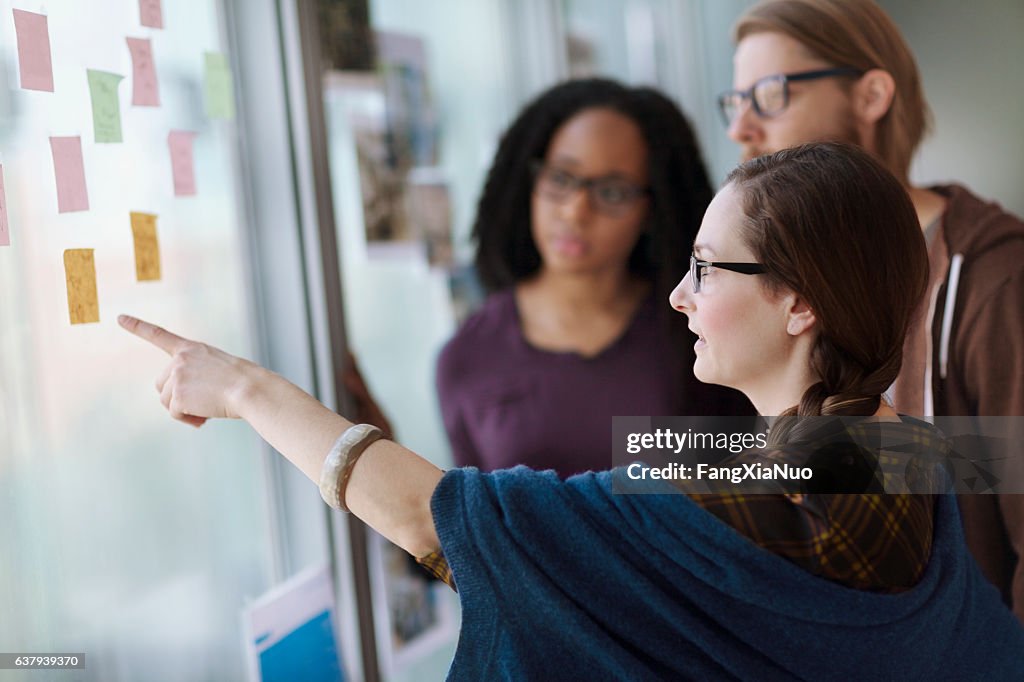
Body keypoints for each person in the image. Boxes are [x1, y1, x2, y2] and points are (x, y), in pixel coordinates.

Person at [120, 143, 1023, 679]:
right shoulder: (912, 453)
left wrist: (244, 388)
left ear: (801, 303)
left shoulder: (731, 492)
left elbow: (437, 520)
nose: (677, 295)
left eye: (707, 268)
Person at [719, 0, 1024, 622]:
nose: (741, 128)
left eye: (771, 94)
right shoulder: (775, 283)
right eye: (735, 101)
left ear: (872, 94)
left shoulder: (995, 280)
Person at [436, 78, 751, 477]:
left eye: (613, 192)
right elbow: (468, 523)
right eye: (560, 179)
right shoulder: (467, 358)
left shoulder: (700, 331)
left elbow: (749, 489)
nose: (576, 212)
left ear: (652, 210)